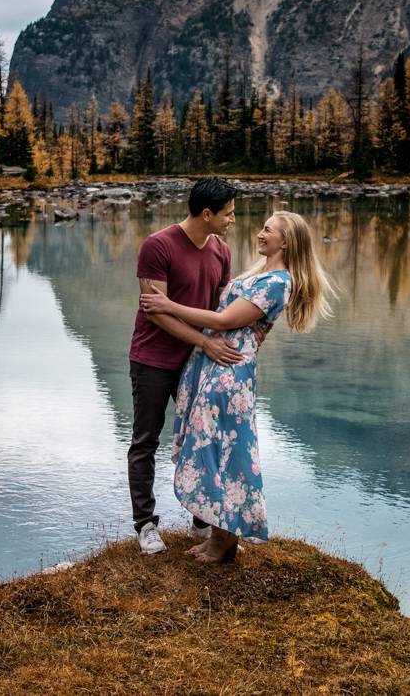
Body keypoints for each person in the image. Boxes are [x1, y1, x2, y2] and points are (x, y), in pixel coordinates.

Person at [141, 210, 335, 563]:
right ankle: (219, 533)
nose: (260, 234)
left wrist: (168, 305)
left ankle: (224, 541)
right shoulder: (258, 273)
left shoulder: (277, 282)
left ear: (286, 241)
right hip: (213, 364)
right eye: (262, 227)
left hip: (229, 374)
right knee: (214, 448)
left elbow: (224, 319)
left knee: (226, 453)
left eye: (268, 230)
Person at [127, 176, 245, 555]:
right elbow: (156, 312)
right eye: (227, 213)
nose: (233, 219)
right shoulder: (157, 246)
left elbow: (221, 308)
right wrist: (205, 341)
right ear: (207, 214)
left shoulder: (221, 251)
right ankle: (145, 525)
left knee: (203, 439)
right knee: (146, 441)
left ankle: (202, 521)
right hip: (153, 360)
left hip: (197, 363)